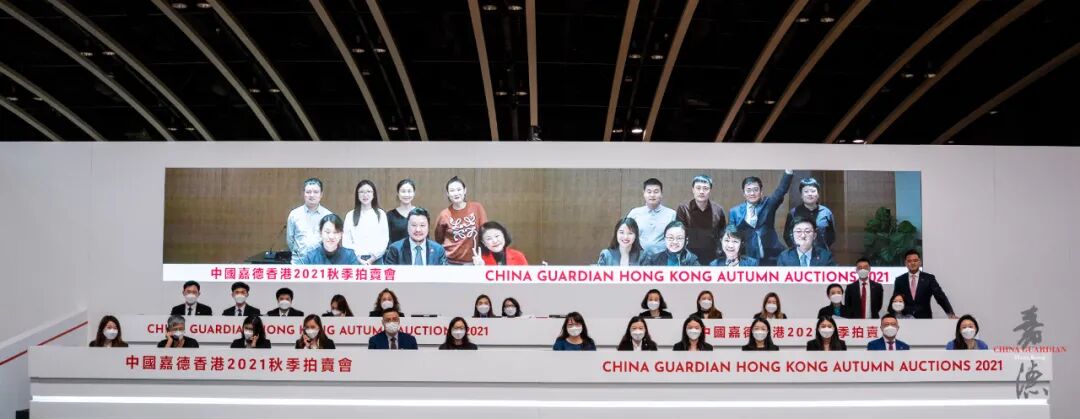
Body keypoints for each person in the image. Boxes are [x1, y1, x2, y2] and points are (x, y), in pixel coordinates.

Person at [728, 170, 794, 266]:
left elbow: (781, 191)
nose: (752, 193)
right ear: (744, 193)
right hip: (748, 257)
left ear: (761, 192)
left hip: (772, 255)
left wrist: (788, 172)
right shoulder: (734, 212)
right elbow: (731, 235)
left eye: (756, 190)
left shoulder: (768, 204)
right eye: (748, 190)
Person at [434, 176, 488, 265]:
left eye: (459, 190)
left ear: (465, 190)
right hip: (449, 261)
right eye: (452, 191)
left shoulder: (477, 207)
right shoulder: (444, 214)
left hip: (473, 261)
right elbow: (439, 238)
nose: (456, 193)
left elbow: (485, 231)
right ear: (448, 194)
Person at [676, 175, 728, 264]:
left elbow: (722, 234)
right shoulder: (683, 209)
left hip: (713, 256)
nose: (701, 191)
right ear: (693, 190)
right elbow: (679, 234)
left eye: (705, 188)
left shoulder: (718, 210)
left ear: (710, 190)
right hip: (689, 257)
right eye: (698, 188)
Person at [893, 249, 957, 319]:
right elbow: (895, 300)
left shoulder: (929, 279)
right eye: (909, 261)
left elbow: (940, 297)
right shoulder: (899, 280)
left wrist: (950, 314)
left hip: (925, 319)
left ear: (920, 262)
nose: (912, 263)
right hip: (905, 319)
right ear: (905, 263)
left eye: (915, 260)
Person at [286, 177, 333, 263]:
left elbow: (331, 240)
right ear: (304, 194)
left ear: (321, 194)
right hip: (299, 262)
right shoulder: (294, 214)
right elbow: (290, 240)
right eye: (308, 192)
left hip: (321, 262)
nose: (312, 195)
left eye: (316, 192)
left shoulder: (328, 216)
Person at [342, 180, 390, 264]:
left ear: (373, 194)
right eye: (361, 192)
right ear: (357, 195)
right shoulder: (350, 215)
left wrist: (373, 257)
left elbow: (384, 239)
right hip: (355, 259)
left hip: (376, 259)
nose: (365, 195)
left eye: (368, 191)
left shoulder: (381, 214)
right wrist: (357, 258)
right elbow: (346, 240)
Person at [783, 177, 836, 251]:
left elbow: (832, 236)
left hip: (821, 253)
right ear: (801, 195)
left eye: (813, 191)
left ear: (818, 194)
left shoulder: (826, 212)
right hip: (800, 254)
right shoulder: (793, 213)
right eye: (806, 191)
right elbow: (787, 235)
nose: (810, 194)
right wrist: (797, 249)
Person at [626, 178, 677, 254]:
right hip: (638, 256)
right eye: (649, 192)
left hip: (664, 257)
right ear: (644, 193)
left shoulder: (672, 214)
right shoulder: (634, 213)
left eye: (656, 192)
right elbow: (626, 234)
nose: (652, 195)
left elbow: (677, 237)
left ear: (661, 194)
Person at [382, 207, 448, 265]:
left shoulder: (438, 250)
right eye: (414, 225)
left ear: (428, 227)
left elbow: (443, 274)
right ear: (407, 227)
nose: (418, 230)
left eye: (422, 225)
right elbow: (390, 273)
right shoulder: (395, 249)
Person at [386, 179, 417, 245]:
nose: (406, 194)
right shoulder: (390, 215)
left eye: (409, 191)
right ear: (398, 193)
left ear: (414, 193)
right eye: (403, 191)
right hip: (396, 250)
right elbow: (388, 239)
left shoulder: (420, 213)